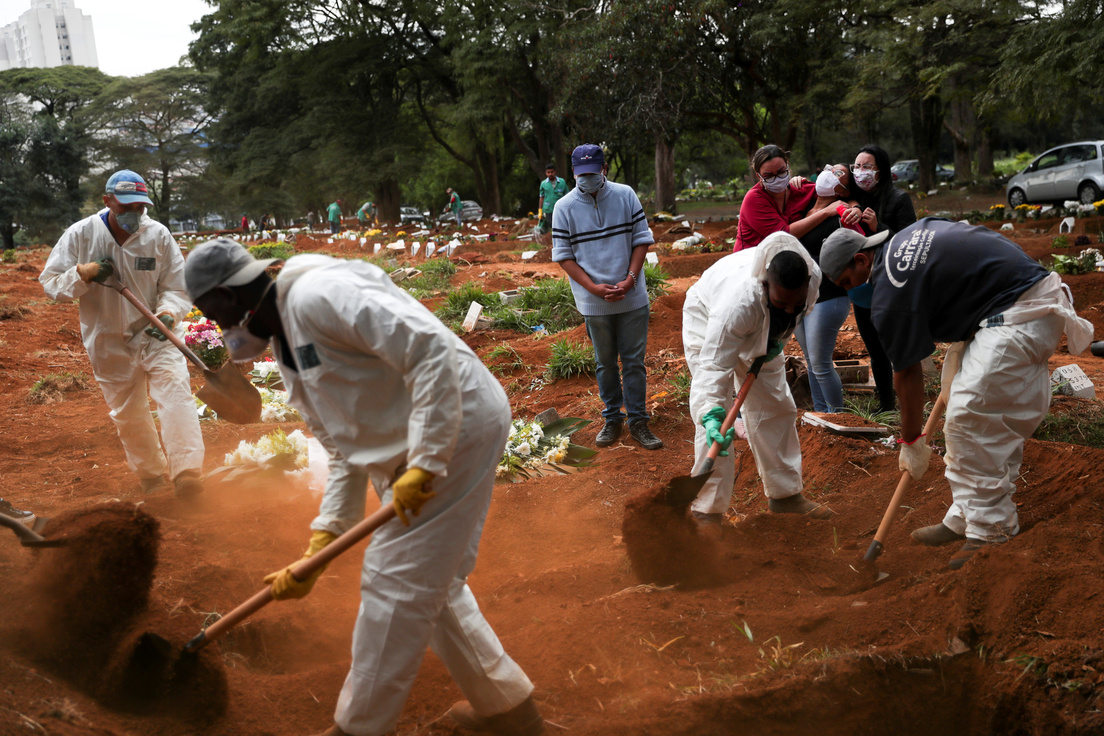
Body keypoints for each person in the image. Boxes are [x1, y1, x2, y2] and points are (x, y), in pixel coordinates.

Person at [183, 240, 543, 736]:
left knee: (393, 578)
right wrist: (324, 539)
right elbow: (341, 449)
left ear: (227, 293)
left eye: (212, 314)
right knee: (429, 581)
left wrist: (429, 458)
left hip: (456, 425)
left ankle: (359, 728)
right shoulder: (286, 342)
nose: (221, 330)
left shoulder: (320, 294)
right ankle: (508, 707)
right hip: (415, 447)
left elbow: (430, 349)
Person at [820, 219, 1094, 569]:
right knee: (983, 420)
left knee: (970, 418)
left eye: (847, 283)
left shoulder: (890, 290)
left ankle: (991, 530)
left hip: (1019, 312)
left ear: (861, 260)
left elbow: (906, 373)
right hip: (1021, 299)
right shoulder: (905, 239)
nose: (850, 292)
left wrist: (910, 441)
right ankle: (966, 515)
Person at [39, 170, 204, 497]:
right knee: (129, 413)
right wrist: (82, 274)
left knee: (175, 393)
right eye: (126, 206)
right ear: (107, 201)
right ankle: (152, 476)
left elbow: (176, 286)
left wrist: (169, 313)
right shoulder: (81, 235)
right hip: (108, 339)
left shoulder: (157, 235)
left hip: (157, 334)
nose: (134, 214)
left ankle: (187, 473)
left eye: (140, 207)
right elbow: (50, 283)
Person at [683, 232, 834, 527]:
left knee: (775, 403)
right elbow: (714, 365)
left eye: (796, 303)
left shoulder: (812, 277)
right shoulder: (736, 306)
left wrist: (778, 337)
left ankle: (785, 496)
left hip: (764, 331)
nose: (790, 309)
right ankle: (707, 510)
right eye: (782, 303)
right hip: (706, 317)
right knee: (716, 420)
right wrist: (710, 412)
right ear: (765, 285)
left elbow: (794, 311)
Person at [551, 143, 663, 451]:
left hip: (631, 297)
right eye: (580, 174)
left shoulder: (626, 196)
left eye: (592, 172)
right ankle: (612, 418)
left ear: (604, 169)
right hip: (594, 301)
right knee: (604, 363)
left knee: (634, 362)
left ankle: (638, 420)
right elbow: (564, 256)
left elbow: (641, 240)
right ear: (573, 174)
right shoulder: (563, 207)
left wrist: (629, 281)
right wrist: (593, 288)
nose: (586, 179)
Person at [793, 164, 867, 413]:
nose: (829, 172)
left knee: (821, 363)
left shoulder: (842, 213)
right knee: (811, 363)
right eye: (829, 168)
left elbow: (859, 246)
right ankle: (820, 413)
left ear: (843, 190)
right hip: (801, 296)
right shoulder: (803, 205)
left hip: (829, 295)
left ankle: (839, 417)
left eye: (838, 174)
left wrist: (854, 208)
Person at [850, 144, 917, 413]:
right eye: (857, 166)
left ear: (882, 170)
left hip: (892, 284)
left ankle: (908, 403)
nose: (861, 172)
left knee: (897, 348)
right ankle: (887, 405)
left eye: (868, 167)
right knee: (875, 349)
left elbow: (911, 243)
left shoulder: (899, 200)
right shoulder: (853, 199)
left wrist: (880, 228)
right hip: (862, 285)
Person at [733, 145, 847, 252]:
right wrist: (826, 212)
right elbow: (783, 235)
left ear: (787, 165)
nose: (777, 178)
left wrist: (855, 208)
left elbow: (839, 195)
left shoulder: (800, 189)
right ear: (759, 176)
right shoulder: (754, 199)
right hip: (751, 259)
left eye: (781, 172)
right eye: (769, 176)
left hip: (788, 255)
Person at [536, 163, 568, 237]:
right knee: (552, 225)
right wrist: (540, 210)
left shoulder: (561, 182)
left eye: (552, 172)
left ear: (555, 172)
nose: (550, 174)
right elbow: (541, 197)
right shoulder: (543, 184)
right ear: (546, 173)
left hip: (560, 208)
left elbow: (567, 195)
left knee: (560, 225)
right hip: (548, 209)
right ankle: (553, 240)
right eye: (548, 172)